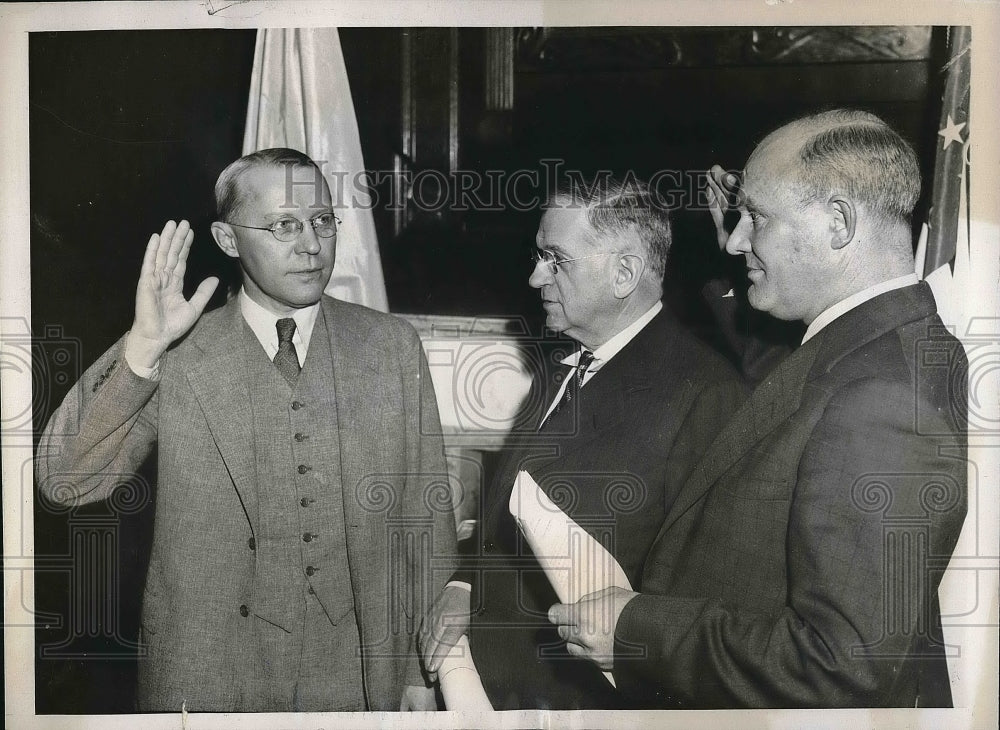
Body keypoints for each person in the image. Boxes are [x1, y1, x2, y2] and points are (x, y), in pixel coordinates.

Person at [547, 110, 969, 707]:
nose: (739, 237)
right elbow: (786, 391)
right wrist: (737, 260)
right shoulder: (869, 345)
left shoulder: (881, 398)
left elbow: (837, 667)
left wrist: (634, 629)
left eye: (758, 219)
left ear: (839, 223)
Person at [35, 148, 456, 712]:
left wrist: (419, 676)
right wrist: (143, 347)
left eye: (323, 221)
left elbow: (423, 517)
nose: (311, 245)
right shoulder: (180, 354)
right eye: (284, 225)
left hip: (357, 676)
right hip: (209, 678)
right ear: (228, 239)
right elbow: (65, 481)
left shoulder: (390, 348)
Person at [418, 178, 746, 709]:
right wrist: (464, 586)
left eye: (556, 259)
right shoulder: (560, 364)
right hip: (489, 688)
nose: (534, 276)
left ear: (624, 273)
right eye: (538, 255)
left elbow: (697, 601)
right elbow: (507, 515)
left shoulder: (706, 397)